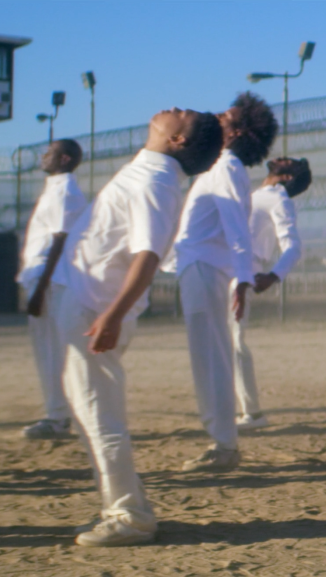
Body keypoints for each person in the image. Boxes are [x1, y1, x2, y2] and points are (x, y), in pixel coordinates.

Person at [53, 107, 223, 546]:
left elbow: (147, 255)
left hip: (95, 311)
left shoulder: (155, 182)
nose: (174, 109)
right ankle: (124, 507)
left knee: (99, 413)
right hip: (88, 303)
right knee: (91, 413)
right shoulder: (148, 171)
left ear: (179, 140)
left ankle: (130, 516)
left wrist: (112, 314)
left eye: (182, 115)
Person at [167, 92, 278, 472]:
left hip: (206, 269)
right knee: (209, 357)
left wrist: (243, 282)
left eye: (226, 117)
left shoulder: (228, 166)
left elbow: (237, 228)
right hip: (199, 266)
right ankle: (222, 442)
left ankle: (224, 445)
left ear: (237, 132)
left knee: (210, 358)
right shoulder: (218, 165)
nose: (217, 116)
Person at [17, 139, 89, 440]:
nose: (43, 157)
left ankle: (58, 417)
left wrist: (39, 290)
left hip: (50, 281)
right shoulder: (55, 187)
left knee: (50, 351)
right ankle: (58, 413)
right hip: (41, 277)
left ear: (64, 159)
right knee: (46, 350)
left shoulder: (66, 191)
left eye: (49, 153)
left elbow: (59, 241)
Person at [233, 157, 311, 431]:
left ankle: (252, 414)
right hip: (226, 268)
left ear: (287, 177)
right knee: (224, 342)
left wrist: (274, 276)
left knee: (234, 342)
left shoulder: (278, 199)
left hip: (242, 272)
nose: (280, 157)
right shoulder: (257, 194)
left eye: (288, 162)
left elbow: (293, 246)